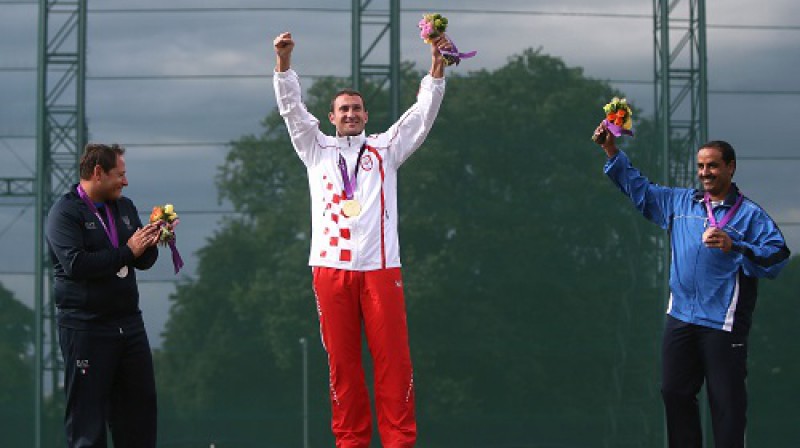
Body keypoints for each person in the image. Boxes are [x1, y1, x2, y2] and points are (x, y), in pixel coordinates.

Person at [272, 31, 451, 447]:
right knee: (343, 366)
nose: (350, 115)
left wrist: (437, 65)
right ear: (331, 117)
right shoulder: (315, 148)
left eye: (356, 109)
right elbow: (292, 112)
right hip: (330, 270)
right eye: (343, 110)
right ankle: (350, 442)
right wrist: (283, 64)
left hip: (380, 269)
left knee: (394, 363)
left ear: (366, 115)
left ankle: (399, 442)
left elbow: (422, 115)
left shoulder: (385, 148)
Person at [592, 123, 791, 447]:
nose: (705, 172)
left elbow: (778, 256)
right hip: (681, 317)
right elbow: (639, 189)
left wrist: (736, 245)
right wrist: (611, 150)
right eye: (700, 166)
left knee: (726, 404)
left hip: (723, 323)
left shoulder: (751, 216)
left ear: (730, 167)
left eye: (712, 165)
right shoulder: (680, 203)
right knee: (673, 392)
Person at [46, 143, 162, 447]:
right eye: (119, 174)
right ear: (98, 173)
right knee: (88, 419)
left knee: (139, 412)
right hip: (86, 326)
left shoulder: (123, 207)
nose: (125, 181)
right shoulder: (65, 212)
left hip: (128, 324)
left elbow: (141, 261)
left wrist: (153, 240)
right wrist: (128, 250)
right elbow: (76, 265)